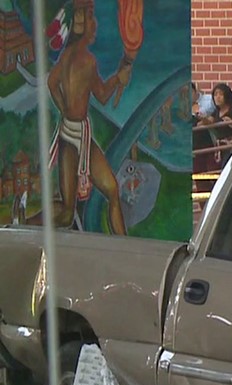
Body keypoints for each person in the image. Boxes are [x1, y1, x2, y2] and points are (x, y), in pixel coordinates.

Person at [46, 0, 132, 234]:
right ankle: (18, 226)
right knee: (69, 211)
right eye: (90, 18)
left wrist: (64, 109)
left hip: (74, 133)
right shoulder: (85, 60)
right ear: (80, 24)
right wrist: (118, 78)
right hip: (73, 135)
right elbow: (103, 95)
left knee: (109, 192)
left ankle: (126, 249)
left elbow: (52, 83)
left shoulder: (66, 56)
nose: (95, 25)